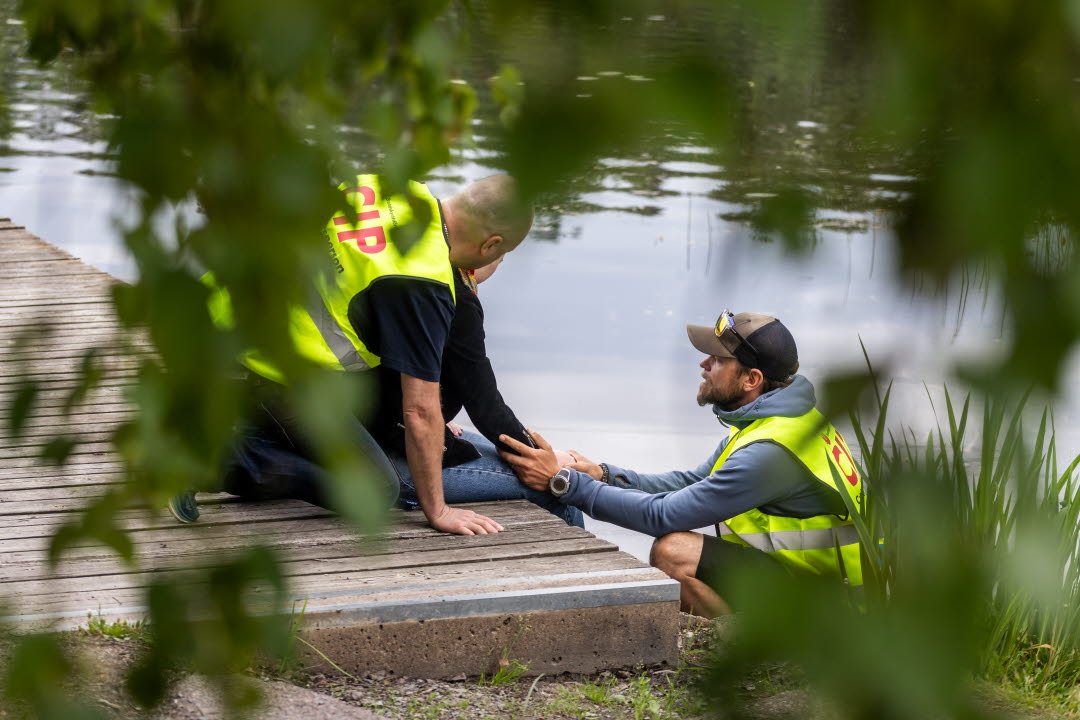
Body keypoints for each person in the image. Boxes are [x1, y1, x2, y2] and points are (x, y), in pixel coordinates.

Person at [170, 174, 533, 537]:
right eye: (502, 255)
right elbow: (419, 410)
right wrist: (437, 510)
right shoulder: (424, 281)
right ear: (491, 245)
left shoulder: (389, 186)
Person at [497, 311, 865, 616]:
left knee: (673, 552)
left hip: (825, 601)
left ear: (752, 379)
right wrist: (603, 474)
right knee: (677, 546)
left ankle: (762, 645)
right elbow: (690, 481)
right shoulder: (784, 420)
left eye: (719, 360)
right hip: (813, 581)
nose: (704, 364)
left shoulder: (770, 453)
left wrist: (564, 483)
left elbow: (664, 516)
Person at [370, 256, 583, 526]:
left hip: (376, 429)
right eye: (501, 258)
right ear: (487, 247)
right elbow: (486, 408)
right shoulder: (455, 297)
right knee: (559, 491)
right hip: (391, 456)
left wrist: (438, 416)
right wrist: (544, 461)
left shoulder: (403, 271)